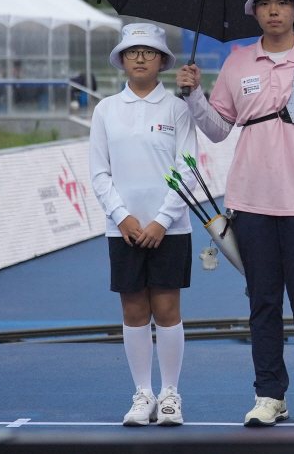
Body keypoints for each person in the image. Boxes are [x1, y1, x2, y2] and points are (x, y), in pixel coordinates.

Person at [177, 0, 294, 428]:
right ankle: (268, 394)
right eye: (264, 3)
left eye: (283, 2)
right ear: (253, 11)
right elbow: (217, 129)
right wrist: (194, 94)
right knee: (262, 302)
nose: (273, 10)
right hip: (250, 202)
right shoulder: (237, 63)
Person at [89, 23, 197, 427]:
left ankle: (170, 394)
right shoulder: (105, 110)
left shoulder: (178, 108)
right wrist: (124, 217)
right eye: (132, 51)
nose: (139, 58)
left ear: (163, 61)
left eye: (148, 52)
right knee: (134, 310)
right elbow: (100, 173)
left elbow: (188, 171)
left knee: (167, 310)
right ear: (121, 59)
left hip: (170, 228)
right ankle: (143, 395)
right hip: (124, 229)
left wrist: (161, 221)